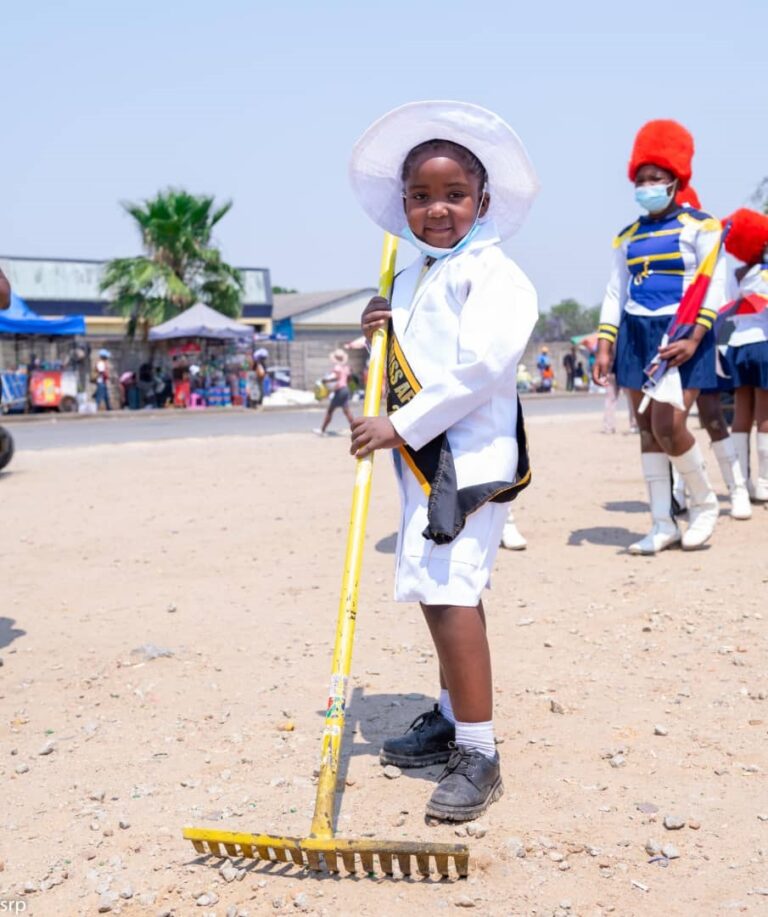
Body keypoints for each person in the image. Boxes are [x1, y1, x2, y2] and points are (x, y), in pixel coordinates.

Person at [349, 101, 538, 821]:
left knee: (452, 593)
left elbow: (477, 372)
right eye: (422, 197)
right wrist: (382, 322)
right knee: (438, 588)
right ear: (402, 204)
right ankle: (448, 711)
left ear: (483, 200)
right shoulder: (416, 273)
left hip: (469, 463)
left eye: (454, 195)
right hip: (423, 461)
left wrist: (396, 426)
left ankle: (479, 750)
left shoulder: (494, 276)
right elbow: (411, 353)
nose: (437, 210)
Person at [594, 120, 725, 554]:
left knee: (670, 426)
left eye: (655, 179)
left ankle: (704, 506)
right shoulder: (626, 236)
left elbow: (714, 286)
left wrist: (694, 338)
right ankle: (661, 522)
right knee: (647, 431)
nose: (647, 186)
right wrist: (605, 344)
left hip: (682, 334)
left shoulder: (702, 227)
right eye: (641, 179)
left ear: (674, 180)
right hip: (635, 334)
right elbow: (615, 291)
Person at [721, 208, 768, 503]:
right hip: (764, 342)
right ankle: (763, 482)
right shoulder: (765, 274)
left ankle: (740, 481)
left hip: (737, 345)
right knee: (765, 414)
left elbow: (728, 308)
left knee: (741, 414)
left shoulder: (735, 275)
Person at [314, 348, 354, 435]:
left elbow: (336, 378)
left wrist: (326, 381)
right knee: (347, 411)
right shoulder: (346, 367)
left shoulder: (337, 367)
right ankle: (356, 430)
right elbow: (350, 378)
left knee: (330, 410)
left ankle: (322, 430)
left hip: (339, 390)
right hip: (345, 389)